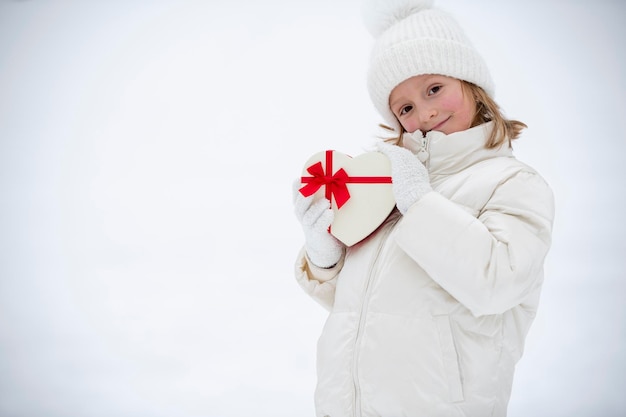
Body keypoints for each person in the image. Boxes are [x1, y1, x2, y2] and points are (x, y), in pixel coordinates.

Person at [292, 0, 555, 416]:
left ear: (470, 83)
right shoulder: (385, 192)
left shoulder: (511, 184)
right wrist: (325, 258)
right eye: (406, 108)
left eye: (434, 88)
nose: (425, 112)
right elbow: (366, 305)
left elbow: (496, 282)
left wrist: (420, 202)